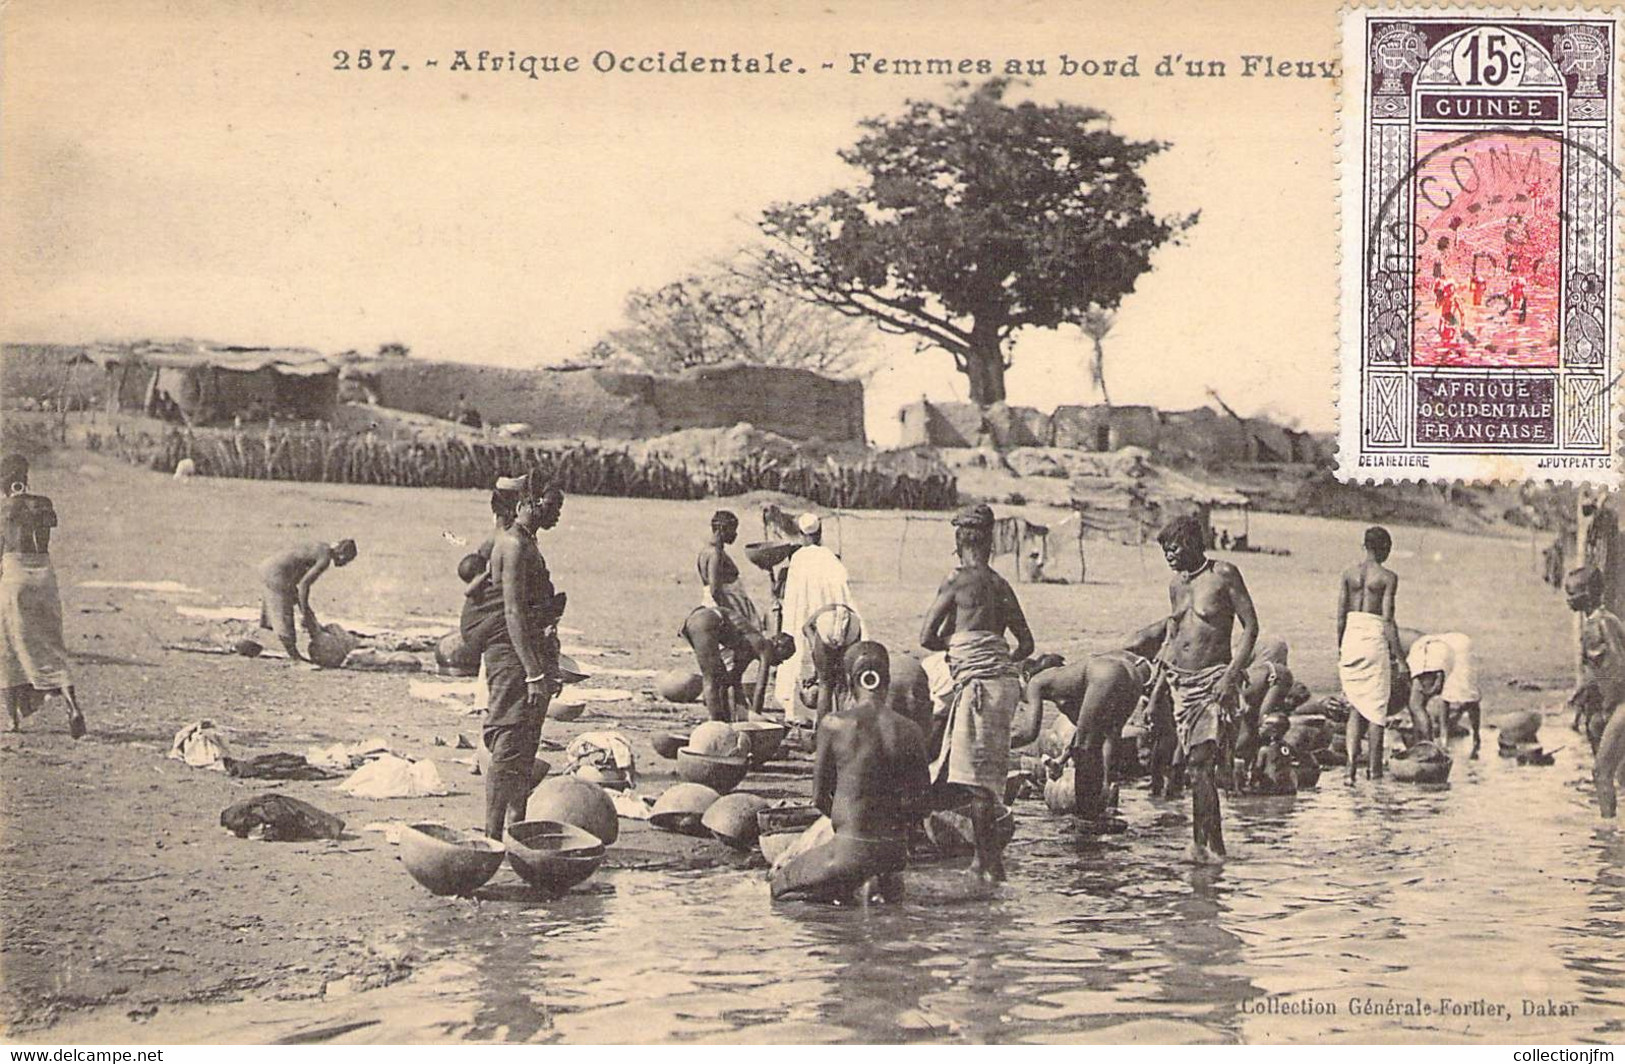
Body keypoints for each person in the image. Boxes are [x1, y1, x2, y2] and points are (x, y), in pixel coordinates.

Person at [919, 506, 1034, 883]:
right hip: (1001, 685)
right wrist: (994, 658)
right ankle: (983, 860)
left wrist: (960, 648)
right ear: (991, 542)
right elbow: (1026, 644)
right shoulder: (1001, 585)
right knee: (982, 776)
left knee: (977, 783)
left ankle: (988, 866)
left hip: (979, 685)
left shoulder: (955, 581)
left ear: (959, 541)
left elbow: (925, 638)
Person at [771, 641, 931, 903]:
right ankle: (874, 884)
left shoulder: (834, 724)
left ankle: (845, 892)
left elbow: (820, 798)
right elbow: (922, 805)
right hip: (893, 854)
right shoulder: (910, 729)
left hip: (849, 850)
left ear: (848, 680)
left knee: (778, 888)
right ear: (887, 679)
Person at [460, 474, 567, 840]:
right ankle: (491, 837)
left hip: (527, 647)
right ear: (530, 503)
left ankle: (516, 828)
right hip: (510, 651)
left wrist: (549, 659)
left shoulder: (527, 542)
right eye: (553, 507)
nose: (557, 516)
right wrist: (533, 673)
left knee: (527, 738)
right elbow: (513, 613)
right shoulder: (513, 546)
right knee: (509, 738)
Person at [1157, 513, 1258, 863]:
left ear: (1190, 544)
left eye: (1173, 549)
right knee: (1192, 768)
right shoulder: (1176, 585)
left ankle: (1209, 849)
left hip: (1214, 681)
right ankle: (1206, 845)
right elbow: (1174, 636)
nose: (1169, 557)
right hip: (1180, 686)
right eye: (1165, 552)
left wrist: (1231, 675)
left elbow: (1251, 627)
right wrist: (1157, 688)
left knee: (1201, 765)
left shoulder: (1223, 575)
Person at [1010, 620, 1165, 825]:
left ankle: (1085, 818)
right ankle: (1105, 806)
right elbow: (1084, 731)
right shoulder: (1064, 690)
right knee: (1107, 736)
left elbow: (1030, 732)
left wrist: (997, 745)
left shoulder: (1036, 682)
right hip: (1133, 675)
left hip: (1106, 671)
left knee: (1086, 751)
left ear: (1025, 675)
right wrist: (1062, 760)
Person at [0, 455, 87, 737]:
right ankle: (73, 706)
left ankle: (13, 720)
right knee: (52, 643)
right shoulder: (44, 503)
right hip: (45, 574)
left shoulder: (4, 508)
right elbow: (45, 534)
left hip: (15, 575)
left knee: (8, 646)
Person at [681, 511, 792, 721]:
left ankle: (729, 717)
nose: (736, 534)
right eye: (733, 529)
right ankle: (720, 722)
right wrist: (731, 615)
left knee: (723, 674)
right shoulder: (714, 554)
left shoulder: (707, 551)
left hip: (718, 612)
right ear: (722, 529)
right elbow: (715, 590)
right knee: (716, 675)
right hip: (719, 612)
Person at [774, 513, 863, 723]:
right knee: (841, 680)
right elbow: (843, 591)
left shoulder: (799, 558)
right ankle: (843, 723)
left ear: (803, 535)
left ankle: (818, 727)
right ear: (820, 533)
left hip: (814, 621)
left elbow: (794, 599)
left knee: (823, 681)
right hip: (838, 618)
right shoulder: (830, 557)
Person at [1336, 526, 1407, 781]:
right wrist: (1400, 658)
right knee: (1377, 709)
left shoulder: (1348, 574)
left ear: (1364, 545)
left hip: (1351, 638)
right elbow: (1387, 620)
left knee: (1357, 705)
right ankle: (1374, 772)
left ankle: (1350, 767)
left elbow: (1341, 616)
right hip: (1373, 637)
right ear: (1385, 549)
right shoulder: (1388, 577)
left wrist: (1341, 648)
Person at [1564, 565, 1625, 817]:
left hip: (1622, 703)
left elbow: (1618, 668)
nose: (1568, 599)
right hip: (1615, 703)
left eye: (1572, 593)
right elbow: (1599, 672)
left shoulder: (1601, 623)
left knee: (1601, 772)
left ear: (1588, 593)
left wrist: (1609, 708)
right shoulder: (1599, 621)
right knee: (1618, 771)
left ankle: (1608, 833)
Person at [257, 538, 358, 662]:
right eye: (347, 560)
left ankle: (253, 641)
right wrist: (305, 611)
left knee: (285, 601)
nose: (344, 564)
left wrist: (305, 609)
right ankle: (295, 658)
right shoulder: (325, 559)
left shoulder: (322, 547)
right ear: (342, 554)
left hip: (269, 567)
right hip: (276, 573)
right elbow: (304, 585)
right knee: (284, 612)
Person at [1405, 631, 1482, 757]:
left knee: (1421, 703)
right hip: (1460, 643)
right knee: (1468, 696)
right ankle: (1475, 737)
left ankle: (1440, 740)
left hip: (1451, 647)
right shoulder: (1422, 646)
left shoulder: (1420, 653)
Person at [1244, 714, 1300, 796]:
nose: (1260, 728)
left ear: (1273, 732)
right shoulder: (1288, 747)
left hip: (1272, 790)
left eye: (1264, 726)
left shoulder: (1264, 750)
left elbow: (1256, 773)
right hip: (1289, 789)